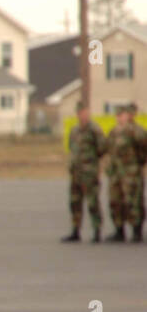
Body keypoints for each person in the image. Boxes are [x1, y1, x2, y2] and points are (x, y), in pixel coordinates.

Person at [63, 101, 106, 243]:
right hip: (76, 172)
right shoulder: (74, 130)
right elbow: (71, 148)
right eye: (80, 112)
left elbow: (102, 148)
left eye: (85, 112)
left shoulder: (94, 129)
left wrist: (91, 162)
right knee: (74, 202)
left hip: (89, 172)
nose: (83, 115)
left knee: (93, 201)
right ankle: (75, 230)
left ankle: (97, 230)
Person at [104, 103, 147, 243]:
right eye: (117, 115)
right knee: (115, 200)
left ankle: (136, 231)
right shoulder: (114, 132)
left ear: (128, 115)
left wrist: (138, 164)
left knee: (133, 201)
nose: (119, 118)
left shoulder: (136, 131)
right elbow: (109, 150)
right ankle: (119, 230)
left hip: (131, 172)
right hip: (116, 173)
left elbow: (143, 150)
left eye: (122, 115)